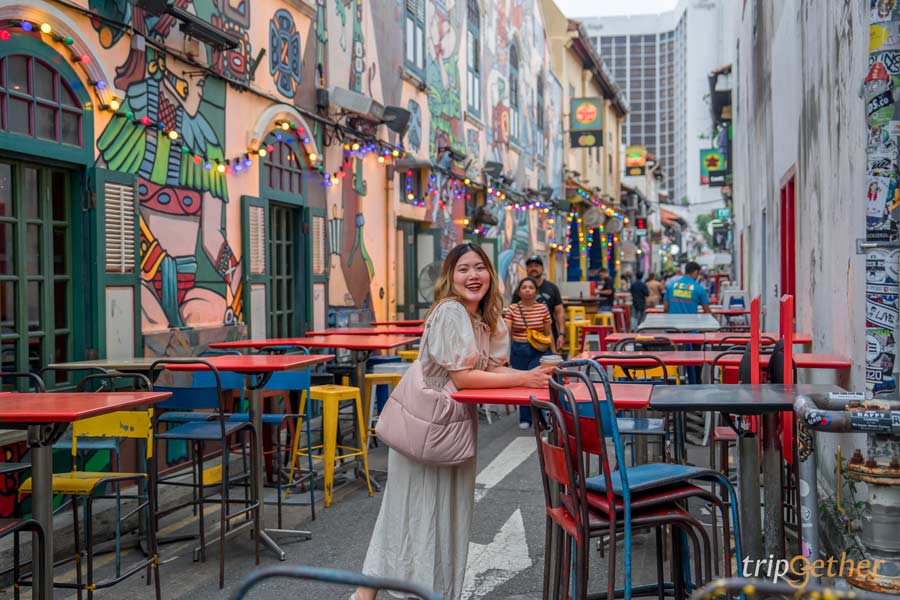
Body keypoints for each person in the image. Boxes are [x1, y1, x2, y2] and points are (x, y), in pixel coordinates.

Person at [353, 243, 549, 600]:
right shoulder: (450, 312)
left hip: (447, 425)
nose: (472, 276)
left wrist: (525, 370)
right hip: (431, 426)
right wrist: (526, 378)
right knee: (425, 513)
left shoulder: (480, 317)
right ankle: (410, 593)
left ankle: (369, 595)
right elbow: (464, 377)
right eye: (463, 269)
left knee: (421, 513)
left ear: (491, 274)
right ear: (450, 276)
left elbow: (490, 367)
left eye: (479, 268)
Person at [505, 277, 554, 429]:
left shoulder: (542, 309)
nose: (527, 289)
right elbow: (506, 332)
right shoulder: (513, 309)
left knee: (539, 383)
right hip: (519, 350)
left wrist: (554, 352)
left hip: (539, 350)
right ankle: (525, 418)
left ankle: (541, 416)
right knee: (522, 383)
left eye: (531, 287)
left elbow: (548, 332)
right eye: (524, 287)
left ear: (536, 291)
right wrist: (504, 353)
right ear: (519, 292)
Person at [511, 255, 566, 354]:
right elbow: (512, 316)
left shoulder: (552, 288)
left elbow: (559, 312)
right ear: (527, 269)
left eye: (536, 265)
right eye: (530, 266)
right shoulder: (519, 291)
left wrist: (562, 334)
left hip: (547, 339)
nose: (533, 268)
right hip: (523, 343)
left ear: (542, 269)